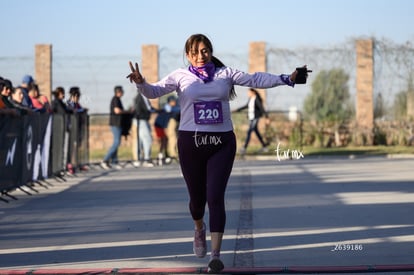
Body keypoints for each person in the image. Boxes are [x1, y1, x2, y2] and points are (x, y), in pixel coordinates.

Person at [127, 33, 308, 273]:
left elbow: (256, 78)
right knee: (197, 202)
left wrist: (288, 78)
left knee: (215, 196)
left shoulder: (226, 74)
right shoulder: (179, 76)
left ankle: (215, 255)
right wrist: (141, 82)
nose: (200, 56)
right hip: (191, 144)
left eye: (204, 51)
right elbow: (153, 91)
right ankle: (199, 228)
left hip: (221, 143)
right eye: (194, 52)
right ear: (188, 55)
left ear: (210, 51)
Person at [235, 88, 270, 155]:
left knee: (249, 131)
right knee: (256, 132)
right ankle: (265, 146)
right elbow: (246, 106)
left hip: (255, 117)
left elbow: (261, 108)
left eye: (249, 93)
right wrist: (237, 110)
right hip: (251, 118)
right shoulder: (250, 99)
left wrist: (266, 117)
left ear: (253, 92)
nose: (248, 94)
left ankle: (244, 148)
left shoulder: (256, 99)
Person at [101, 85, 128, 170]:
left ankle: (114, 161)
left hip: (118, 124)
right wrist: (127, 112)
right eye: (121, 91)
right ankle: (105, 160)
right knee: (116, 143)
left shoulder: (118, 99)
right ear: (118, 92)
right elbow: (117, 110)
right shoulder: (115, 99)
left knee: (117, 143)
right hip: (115, 124)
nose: (123, 92)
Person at [132, 92, 155, 167]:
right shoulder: (139, 98)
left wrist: (156, 110)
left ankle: (140, 158)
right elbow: (139, 110)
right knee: (146, 139)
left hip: (144, 120)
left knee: (141, 140)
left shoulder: (145, 98)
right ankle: (146, 159)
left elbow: (149, 108)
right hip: (141, 120)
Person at [153, 96, 178, 164]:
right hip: (160, 125)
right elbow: (173, 110)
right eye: (173, 101)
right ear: (170, 102)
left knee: (165, 140)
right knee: (163, 141)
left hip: (162, 125)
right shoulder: (168, 107)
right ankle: (160, 156)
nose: (174, 102)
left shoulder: (170, 107)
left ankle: (164, 155)